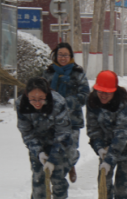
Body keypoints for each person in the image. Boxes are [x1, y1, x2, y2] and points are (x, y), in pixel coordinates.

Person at [86, 70, 127, 199]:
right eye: (100, 91)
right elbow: (93, 129)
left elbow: (122, 135)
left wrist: (110, 158)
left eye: (107, 92)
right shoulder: (92, 102)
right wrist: (100, 149)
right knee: (103, 178)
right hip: (107, 145)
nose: (103, 95)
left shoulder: (123, 105)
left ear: (115, 91)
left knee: (121, 181)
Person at [16, 77, 74, 199]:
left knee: (58, 177)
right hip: (38, 143)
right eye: (33, 99)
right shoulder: (21, 104)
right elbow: (26, 132)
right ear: (26, 95)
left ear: (47, 95)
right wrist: (39, 152)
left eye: (41, 98)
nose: (37, 102)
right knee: (38, 178)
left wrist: (53, 158)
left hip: (59, 143)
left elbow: (63, 133)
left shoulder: (58, 103)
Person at [42, 42, 89, 183]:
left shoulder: (78, 73)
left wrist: (66, 103)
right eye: (60, 55)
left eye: (66, 55)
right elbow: (41, 93)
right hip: (52, 119)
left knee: (72, 149)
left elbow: (85, 94)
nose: (63, 58)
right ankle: (58, 176)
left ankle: (71, 165)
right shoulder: (48, 73)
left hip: (72, 119)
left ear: (71, 56)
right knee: (54, 148)